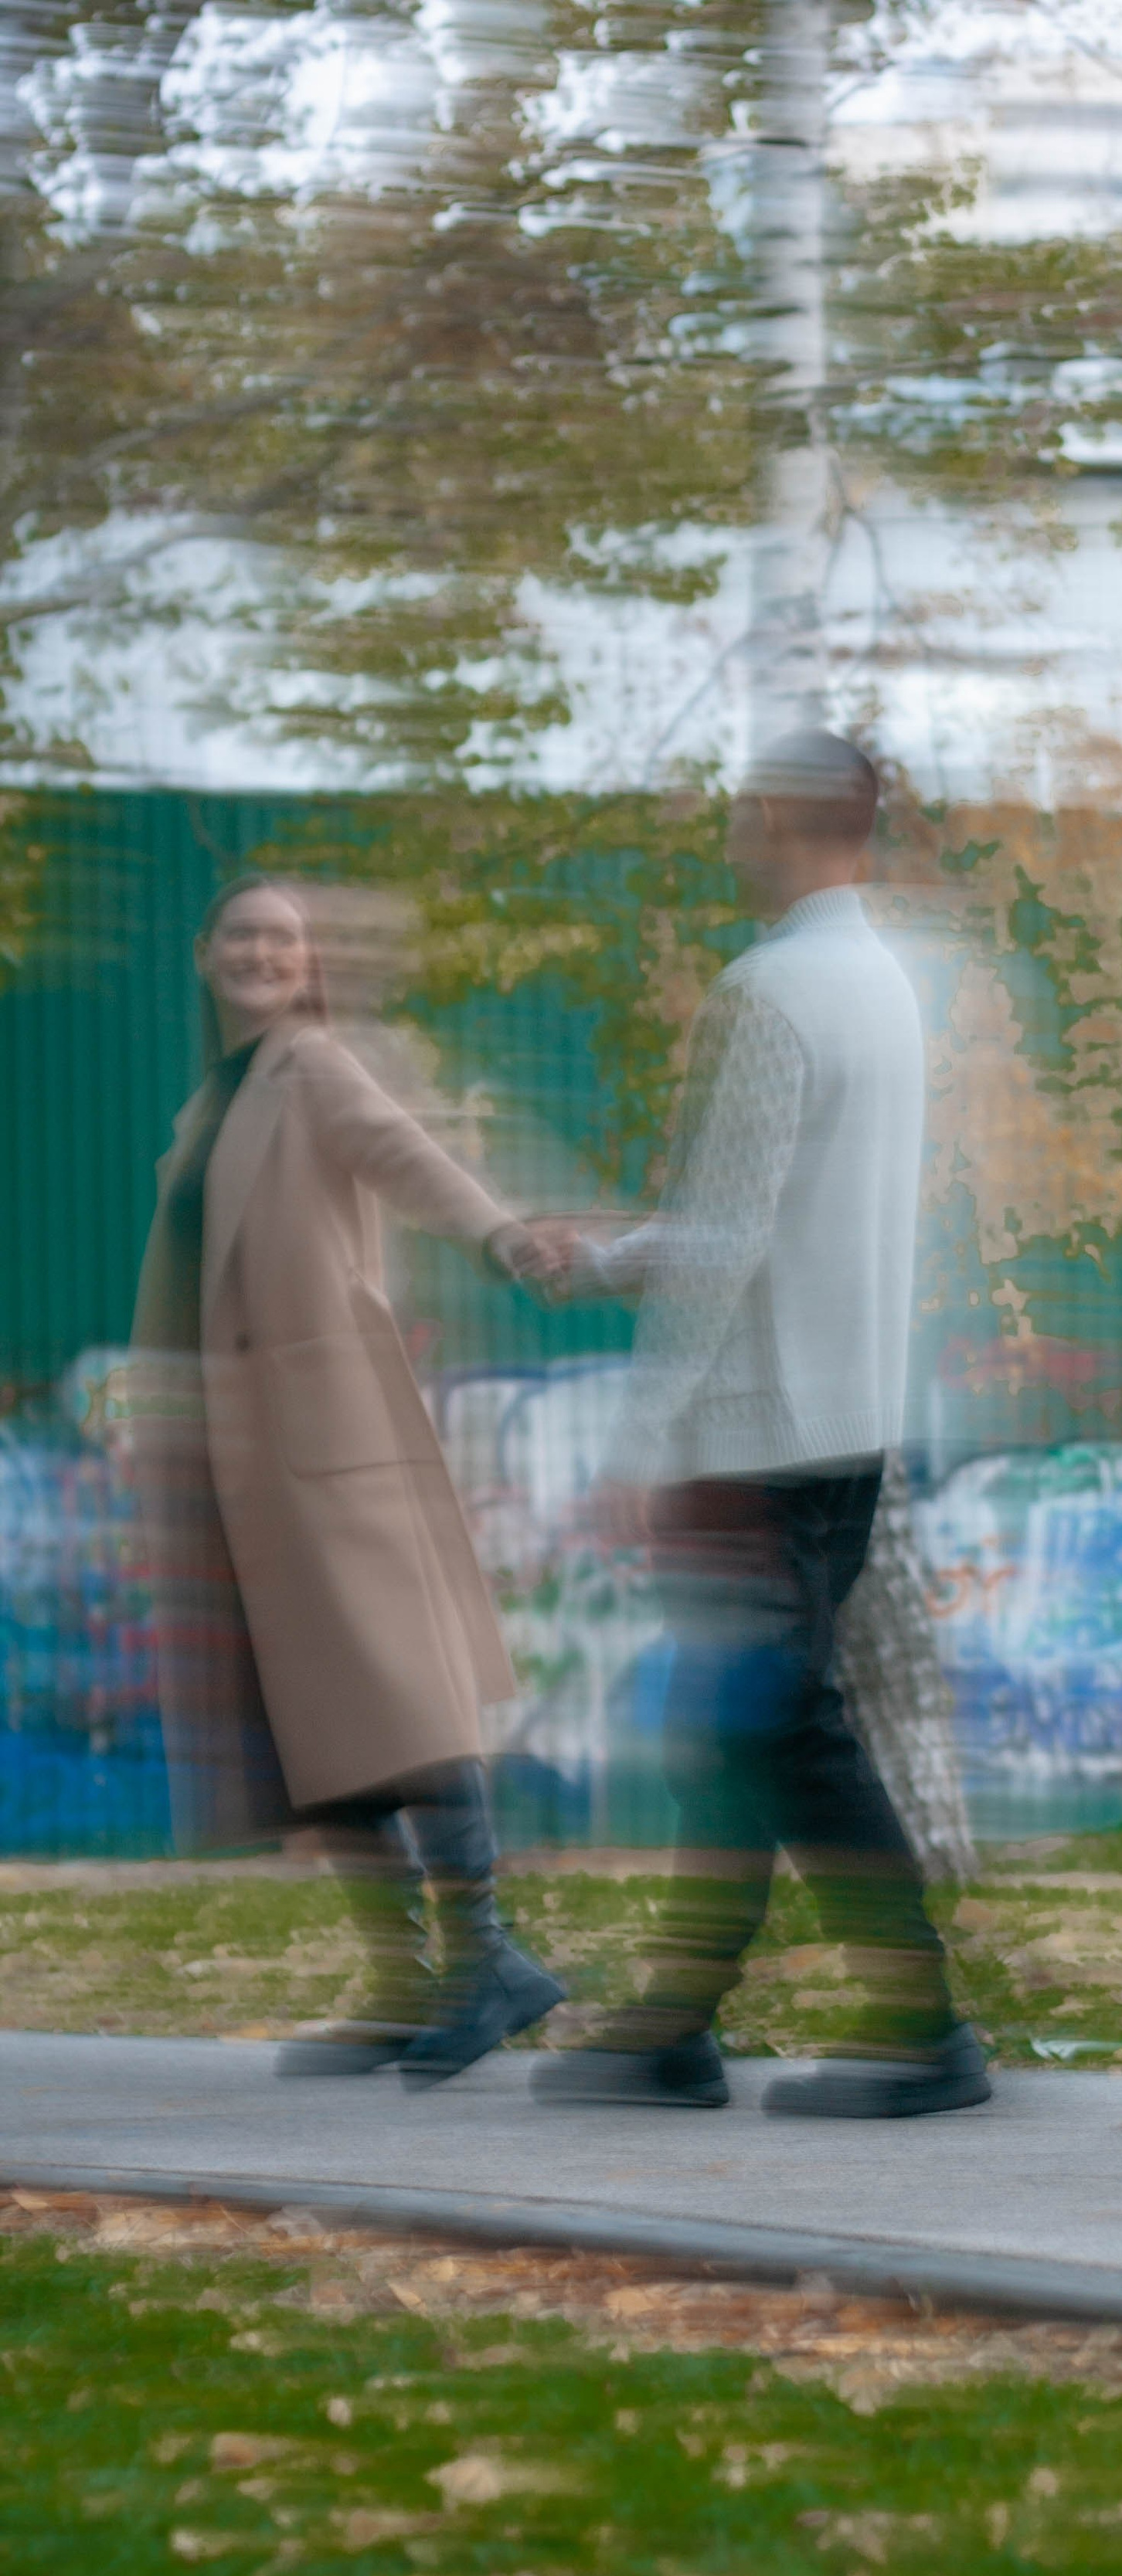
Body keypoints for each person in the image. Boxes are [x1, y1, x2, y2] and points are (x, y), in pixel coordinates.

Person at [529, 731, 990, 2120]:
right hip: (845, 1429)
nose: (730, 837)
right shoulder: (884, 986)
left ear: (783, 820)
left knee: (782, 1734)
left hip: (755, 1438)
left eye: (742, 813)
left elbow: (728, 1239)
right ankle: (675, 2027)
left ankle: (922, 2029)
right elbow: (760, 1221)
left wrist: (636, 1443)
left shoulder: (769, 990)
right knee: (730, 1729)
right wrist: (605, 1259)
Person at [128, 871, 566, 2086]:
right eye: (243, 934)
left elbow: (404, 1154)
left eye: (284, 937)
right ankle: (404, 1978)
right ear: (205, 951)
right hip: (242, 1457)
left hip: (328, 1438)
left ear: (307, 961)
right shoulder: (209, 1104)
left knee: (398, 1695)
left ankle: (485, 1958)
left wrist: (503, 1235)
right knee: (308, 1722)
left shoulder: (310, 1066)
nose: (263, 953)